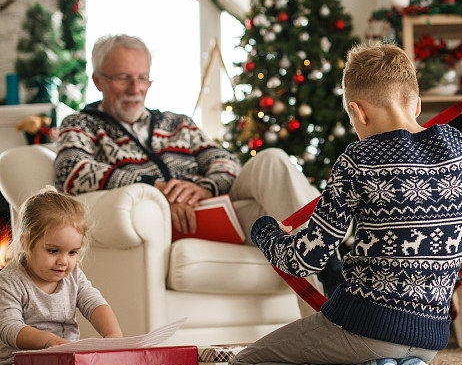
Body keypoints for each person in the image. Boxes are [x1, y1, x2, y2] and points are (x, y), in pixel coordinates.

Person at [224, 42, 462, 365]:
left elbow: (305, 260)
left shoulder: (358, 160)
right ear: (417, 105)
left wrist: (265, 231)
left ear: (358, 112)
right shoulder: (459, 150)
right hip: (431, 336)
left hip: (365, 324)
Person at [54, 34, 342, 297]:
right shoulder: (81, 124)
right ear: (98, 80)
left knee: (272, 160)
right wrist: (157, 190)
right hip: (166, 223)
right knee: (280, 212)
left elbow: (225, 162)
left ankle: (331, 287)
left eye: (143, 78)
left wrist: (203, 187)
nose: (136, 88)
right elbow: (73, 171)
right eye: (123, 78)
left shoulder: (177, 122)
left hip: (217, 210)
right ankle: (334, 298)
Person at [0, 187, 123, 365]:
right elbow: (9, 327)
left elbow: (95, 304)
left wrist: (113, 336)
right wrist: (50, 341)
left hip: (66, 362)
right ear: (25, 243)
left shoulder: (73, 276)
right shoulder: (10, 281)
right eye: (53, 251)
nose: (63, 261)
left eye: (72, 252)